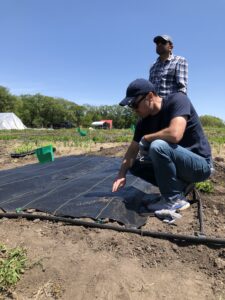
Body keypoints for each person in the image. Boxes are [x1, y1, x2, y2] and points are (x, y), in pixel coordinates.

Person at [112, 79, 213, 212]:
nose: (134, 110)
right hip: (180, 166)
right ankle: (180, 186)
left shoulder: (178, 100)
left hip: (199, 165)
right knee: (135, 165)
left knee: (157, 146)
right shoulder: (143, 123)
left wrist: (147, 138)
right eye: (131, 107)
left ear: (149, 96)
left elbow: (175, 134)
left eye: (135, 105)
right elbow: (132, 150)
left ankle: (173, 200)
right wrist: (121, 174)